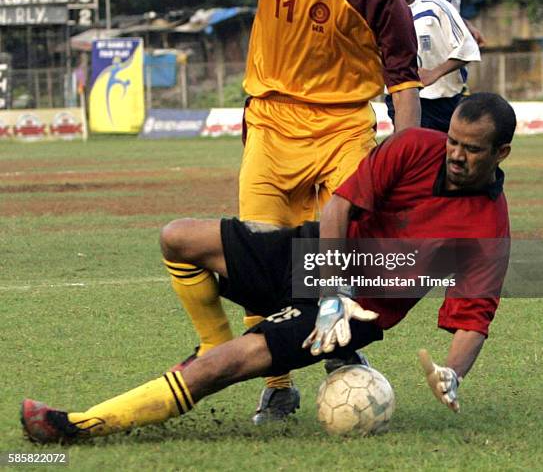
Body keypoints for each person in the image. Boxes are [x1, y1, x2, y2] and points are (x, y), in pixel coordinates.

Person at [22, 93, 516, 444]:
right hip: (318, 258)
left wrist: (454, 371)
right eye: (454, 140)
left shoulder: (487, 231)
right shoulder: (414, 147)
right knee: (177, 237)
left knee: (224, 367)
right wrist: (327, 290)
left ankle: (83, 424)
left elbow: (472, 318)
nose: (455, 154)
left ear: (501, 154)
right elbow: (337, 209)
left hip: (355, 315)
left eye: (472, 149)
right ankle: (212, 338)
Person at [166, 0, 421, 423]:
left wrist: (404, 152)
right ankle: (278, 386)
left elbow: (403, 82)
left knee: (343, 250)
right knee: (259, 259)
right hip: (272, 124)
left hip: (344, 129)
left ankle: (338, 349)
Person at [383, 0, 481, 132]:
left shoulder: (438, 8)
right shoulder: (380, 15)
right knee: (410, 155)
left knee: (445, 157)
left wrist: (434, 73)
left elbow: (468, 49)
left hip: (443, 102)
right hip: (400, 99)